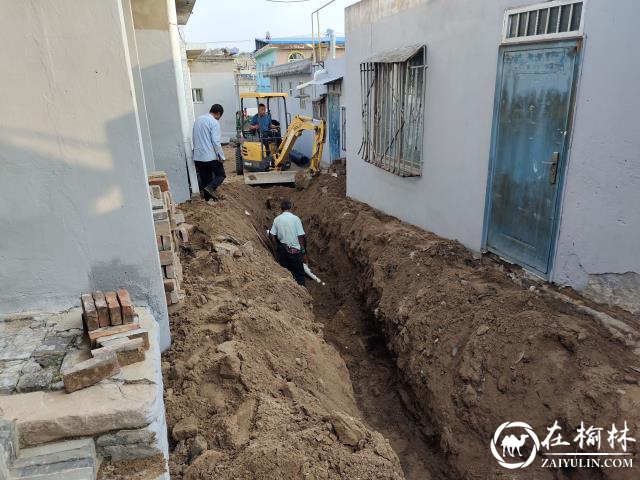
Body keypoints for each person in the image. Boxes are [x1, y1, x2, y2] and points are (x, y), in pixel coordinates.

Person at [269, 199, 307, 286]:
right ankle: (302, 293)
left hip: (283, 250)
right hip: (295, 251)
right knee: (299, 275)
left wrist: (276, 246)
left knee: (286, 273)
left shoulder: (277, 219)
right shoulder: (296, 219)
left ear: (281, 209)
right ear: (290, 208)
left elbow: (271, 234)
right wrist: (301, 247)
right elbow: (301, 235)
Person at [192, 104, 226, 200]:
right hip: (209, 156)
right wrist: (221, 156)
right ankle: (211, 188)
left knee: (206, 180)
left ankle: (208, 200)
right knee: (220, 175)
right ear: (218, 113)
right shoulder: (214, 122)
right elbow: (216, 141)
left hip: (198, 157)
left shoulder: (198, 120)